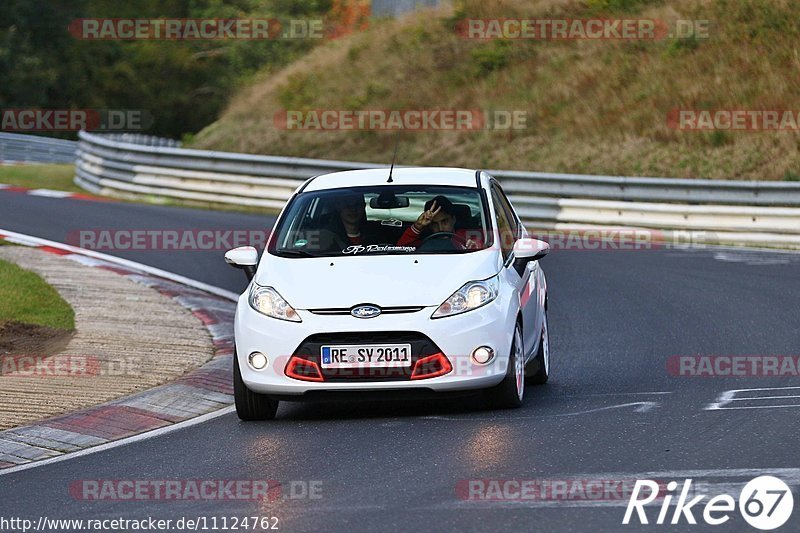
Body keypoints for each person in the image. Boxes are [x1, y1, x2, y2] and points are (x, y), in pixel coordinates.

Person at [397, 195, 482, 250]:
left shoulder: (470, 236)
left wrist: (475, 249)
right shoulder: (423, 241)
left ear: (453, 219)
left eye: (445, 221)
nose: (440, 228)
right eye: (434, 224)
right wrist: (417, 226)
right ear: (429, 225)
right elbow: (400, 251)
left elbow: (489, 250)